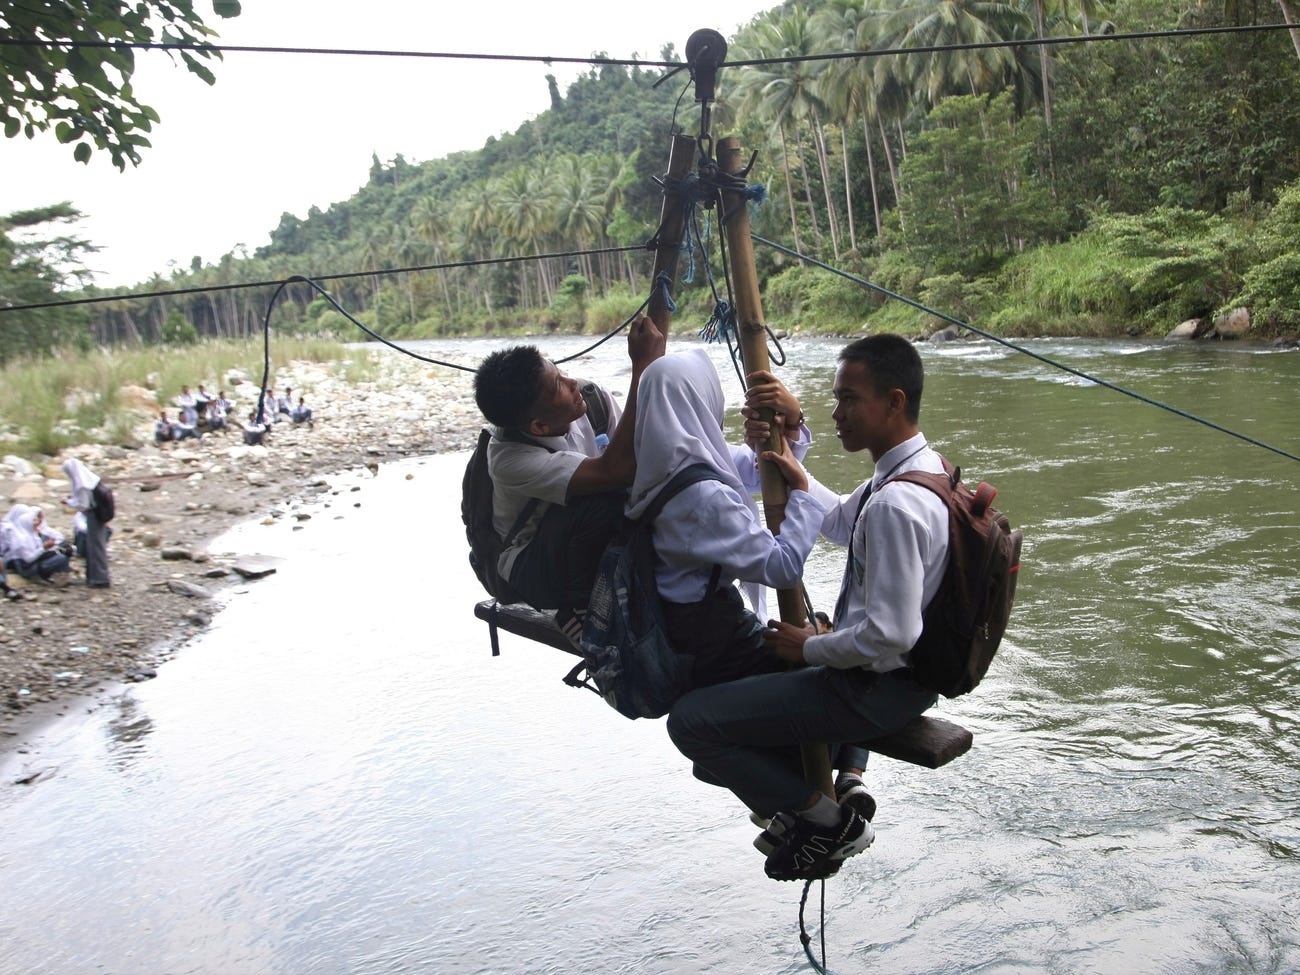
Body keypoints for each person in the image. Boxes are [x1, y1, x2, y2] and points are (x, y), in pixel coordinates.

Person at [667, 334, 950, 883]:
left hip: (874, 689)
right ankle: (822, 795)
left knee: (692, 724)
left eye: (849, 400)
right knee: (725, 733)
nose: (837, 414)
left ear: (894, 401)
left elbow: (891, 634)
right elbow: (843, 521)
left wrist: (810, 646)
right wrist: (797, 473)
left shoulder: (895, 503)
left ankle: (828, 823)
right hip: (898, 678)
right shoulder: (919, 469)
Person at [628, 348, 824, 690]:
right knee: (818, 659)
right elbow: (783, 567)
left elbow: (756, 471)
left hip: (676, 623)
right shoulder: (703, 497)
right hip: (708, 641)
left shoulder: (656, 460)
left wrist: (789, 425)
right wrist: (802, 492)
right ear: (699, 401)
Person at [473, 313, 664, 645]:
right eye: (558, 385)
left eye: (560, 371)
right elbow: (615, 471)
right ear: (539, 427)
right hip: (533, 564)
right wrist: (644, 367)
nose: (572, 382)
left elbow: (641, 453)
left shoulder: (591, 399)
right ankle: (578, 608)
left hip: (582, 539)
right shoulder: (508, 458)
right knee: (603, 497)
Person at [62, 458, 111, 588]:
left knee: (95, 547)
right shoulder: (91, 479)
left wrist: (69, 502)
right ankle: (95, 576)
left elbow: (84, 505)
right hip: (98, 514)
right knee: (96, 546)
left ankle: (99, 578)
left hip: (94, 515)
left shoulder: (82, 484)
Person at [2, 504, 72, 584]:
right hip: (26, 568)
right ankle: (42, 575)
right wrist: (44, 548)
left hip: (32, 563)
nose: (38, 522)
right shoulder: (19, 537)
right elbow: (28, 559)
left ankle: (56, 575)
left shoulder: (31, 534)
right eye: (34, 520)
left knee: (64, 553)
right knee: (61, 558)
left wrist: (51, 549)